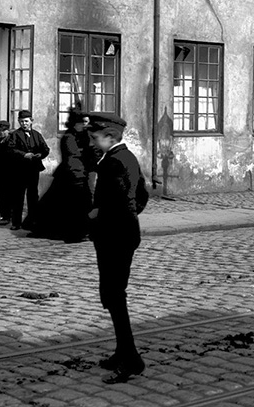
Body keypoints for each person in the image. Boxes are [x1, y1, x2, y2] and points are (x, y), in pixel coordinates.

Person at [87, 112, 148, 384]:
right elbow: (141, 196)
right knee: (113, 296)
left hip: (115, 237)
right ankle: (123, 351)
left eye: (95, 138)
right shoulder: (125, 158)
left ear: (110, 137)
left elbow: (124, 202)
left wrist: (97, 215)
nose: (92, 142)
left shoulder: (115, 162)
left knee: (114, 296)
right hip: (122, 234)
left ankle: (132, 359)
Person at [33, 104, 95, 242]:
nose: (84, 126)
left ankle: (85, 231)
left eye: (85, 123)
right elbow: (72, 157)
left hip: (82, 174)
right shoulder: (68, 137)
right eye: (81, 123)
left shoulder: (85, 136)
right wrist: (81, 168)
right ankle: (73, 232)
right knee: (64, 205)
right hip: (70, 175)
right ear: (75, 124)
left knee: (83, 204)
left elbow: (93, 153)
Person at [3, 109, 49, 231]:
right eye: (22, 121)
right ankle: (16, 223)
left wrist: (40, 155)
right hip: (19, 171)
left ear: (31, 121)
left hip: (33, 170)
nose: (24, 124)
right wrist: (24, 155)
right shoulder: (15, 135)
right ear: (19, 122)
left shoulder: (37, 135)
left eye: (26, 121)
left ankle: (32, 221)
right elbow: (10, 150)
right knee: (18, 197)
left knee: (33, 196)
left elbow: (46, 149)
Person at [0, 119, 11, 226]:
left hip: (11, 171)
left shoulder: (12, 141)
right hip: (0, 172)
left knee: (11, 195)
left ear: (8, 130)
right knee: (1, 194)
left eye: (4, 130)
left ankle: (10, 216)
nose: (1, 132)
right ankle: (4, 216)